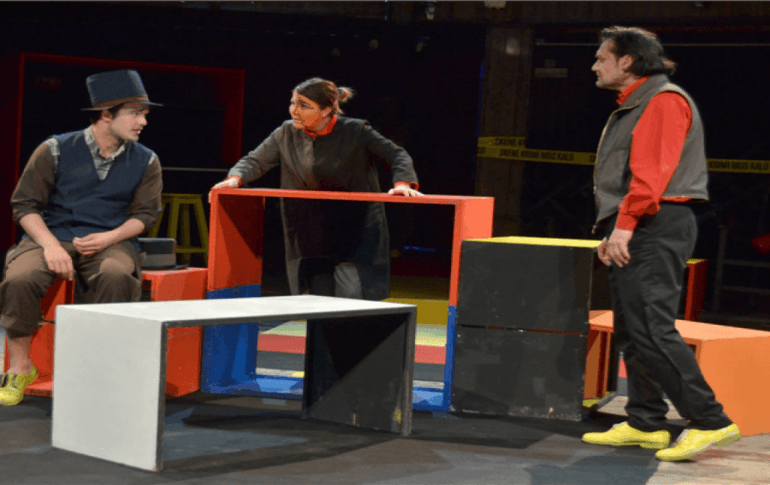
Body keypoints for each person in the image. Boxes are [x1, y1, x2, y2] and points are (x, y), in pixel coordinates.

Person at [581, 26, 741, 462]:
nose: (595, 66)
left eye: (601, 58)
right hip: (637, 222)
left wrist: (625, 226)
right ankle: (646, 421)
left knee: (652, 328)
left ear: (627, 61)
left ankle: (709, 420)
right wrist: (614, 227)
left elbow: (650, 174)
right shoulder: (636, 103)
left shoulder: (663, 100)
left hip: (656, 222)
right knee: (632, 330)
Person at [0, 69, 163, 406]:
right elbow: (25, 206)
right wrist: (49, 246)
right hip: (53, 234)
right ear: (107, 114)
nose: (143, 122)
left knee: (116, 275)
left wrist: (110, 237)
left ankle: (101, 369)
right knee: (21, 277)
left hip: (111, 239)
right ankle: (20, 367)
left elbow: (145, 216)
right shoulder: (55, 150)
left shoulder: (146, 160)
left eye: (145, 114)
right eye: (135, 113)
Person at [210, 77, 422, 300]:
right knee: (319, 296)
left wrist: (402, 184)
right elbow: (255, 160)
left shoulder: (356, 130)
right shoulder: (286, 132)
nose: (294, 111)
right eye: (293, 103)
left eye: (304, 105)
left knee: (351, 295)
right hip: (312, 229)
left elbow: (397, 155)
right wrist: (235, 178)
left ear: (326, 110)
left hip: (354, 227)